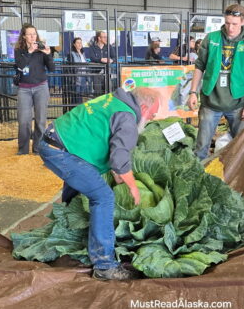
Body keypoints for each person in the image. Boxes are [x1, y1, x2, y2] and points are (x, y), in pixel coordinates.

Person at [37, 87, 160, 280]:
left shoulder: (114, 100)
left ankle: (69, 228)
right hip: (61, 151)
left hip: (55, 141)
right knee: (103, 197)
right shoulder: (127, 117)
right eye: (153, 114)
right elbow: (119, 161)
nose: (153, 118)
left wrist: (121, 176)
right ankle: (104, 266)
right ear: (144, 108)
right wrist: (133, 187)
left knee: (81, 180)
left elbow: (113, 157)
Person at [187, 4, 244, 160]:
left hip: (238, 104)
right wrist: (193, 92)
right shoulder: (211, 38)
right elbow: (199, 66)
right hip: (211, 102)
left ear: (242, 22)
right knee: (201, 148)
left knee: (242, 148)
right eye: (227, 23)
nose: (230, 27)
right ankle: (198, 177)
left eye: (234, 24)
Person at [14, 24, 55, 155]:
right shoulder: (19, 50)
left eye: (34, 34)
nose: (33, 36)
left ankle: (38, 149)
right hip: (24, 89)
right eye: (29, 34)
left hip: (41, 87)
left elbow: (52, 68)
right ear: (24, 36)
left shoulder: (41, 49)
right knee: (24, 121)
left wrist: (48, 55)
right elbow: (20, 66)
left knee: (41, 120)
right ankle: (23, 150)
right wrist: (30, 51)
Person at [66, 37, 90, 101]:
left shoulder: (83, 54)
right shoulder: (71, 54)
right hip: (76, 78)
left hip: (84, 77)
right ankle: (74, 109)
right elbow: (70, 68)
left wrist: (87, 78)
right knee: (75, 96)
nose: (80, 44)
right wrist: (73, 78)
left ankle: (79, 109)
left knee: (80, 95)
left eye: (81, 43)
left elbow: (86, 66)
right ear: (74, 44)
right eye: (78, 43)